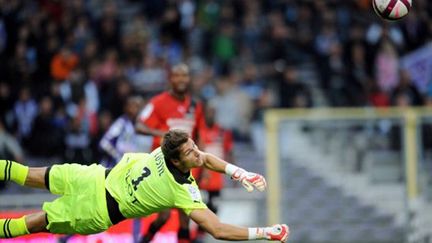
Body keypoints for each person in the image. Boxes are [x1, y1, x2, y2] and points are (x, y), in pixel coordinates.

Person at [0, 129, 290, 242]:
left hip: (96, 193)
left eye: (193, 146)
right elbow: (218, 229)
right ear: (176, 160)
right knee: (31, 183)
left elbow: (207, 160)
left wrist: (238, 173)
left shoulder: (165, 150)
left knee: (35, 214)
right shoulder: (182, 190)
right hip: (95, 191)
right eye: (190, 151)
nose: (196, 152)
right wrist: (264, 233)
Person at [135, 63, 204, 242]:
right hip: (162, 167)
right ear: (170, 79)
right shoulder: (157, 102)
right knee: (164, 216)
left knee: (185, 218)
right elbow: (139, 126)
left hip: (186, 169)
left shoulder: (195, 105)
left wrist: (202, 165)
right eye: (177, 75)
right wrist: (160, 133)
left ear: (189, 79)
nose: (181, 79)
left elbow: (199, 136)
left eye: (184, 76)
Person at [99, 95, 151, 167]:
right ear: (126, 107)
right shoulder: (121, 123)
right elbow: (104, 143)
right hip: (111, 167)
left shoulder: (139, 125)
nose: (135, 109)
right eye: (132, 106)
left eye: (138, 106)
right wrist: (118, 156)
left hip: (126, 167)